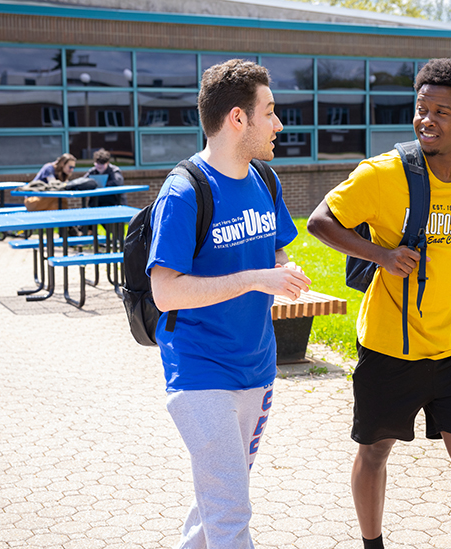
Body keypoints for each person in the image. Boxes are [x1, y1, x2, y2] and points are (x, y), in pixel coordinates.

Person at [307, 57, 451, 549]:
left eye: (442, 111)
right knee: (375, 452)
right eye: (422, 108)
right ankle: (372, 543)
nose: (427, 119)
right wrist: (380, 253)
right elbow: (319, 221)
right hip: (390, 348)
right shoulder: (382, 173)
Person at [148, 59, 311, 549]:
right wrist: (256, 278)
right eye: (270, 112)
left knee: (217, 499)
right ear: (238, 119)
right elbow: (166, 290)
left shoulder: (264, 180)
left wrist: (282, 273)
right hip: (200, 372)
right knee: (230, 509)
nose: (279, 124)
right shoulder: (183, 191)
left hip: (257, 368)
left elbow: (276, 247)